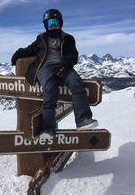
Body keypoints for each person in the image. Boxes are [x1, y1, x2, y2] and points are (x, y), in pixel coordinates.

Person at [11, 8, 98, 139]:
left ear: (60, 23)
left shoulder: (68, 38)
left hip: (64, 67)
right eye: (50, 22)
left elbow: (72, 56)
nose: (53, 25)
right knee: (50, 91)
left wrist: (64, 65)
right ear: (45, 25)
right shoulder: (40, 39)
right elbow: (29, 49)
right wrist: (17, 54)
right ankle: (48, 129)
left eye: (55, 22)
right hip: (45, 68)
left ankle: (83, 120)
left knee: (76, 83)